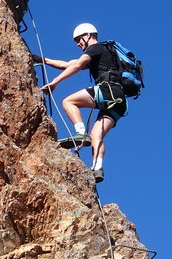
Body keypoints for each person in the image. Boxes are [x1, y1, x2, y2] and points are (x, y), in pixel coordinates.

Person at [32, 23, 128, 183]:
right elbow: (67, 64)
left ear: (88, 35)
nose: (78, 44)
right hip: (119, 102)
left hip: (109, 91)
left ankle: (80, 133)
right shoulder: (103, 54)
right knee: (96, 136)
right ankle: (97, 168)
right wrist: (42, 60)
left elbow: (76, 65)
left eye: (79, 40)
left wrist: (55, 82)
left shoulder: (96, 48)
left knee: (68, 101)